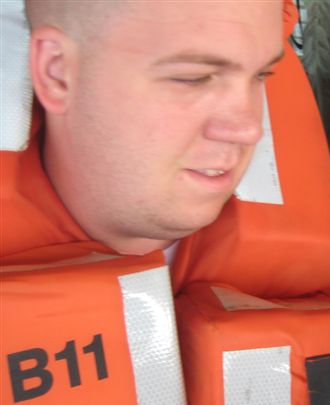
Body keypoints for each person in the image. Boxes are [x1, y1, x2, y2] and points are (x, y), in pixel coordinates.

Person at [6, 0, 283, 257]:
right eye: (193, 79)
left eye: (261, 75)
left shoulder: (301, 269)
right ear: (57, 72)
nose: (250, 131)